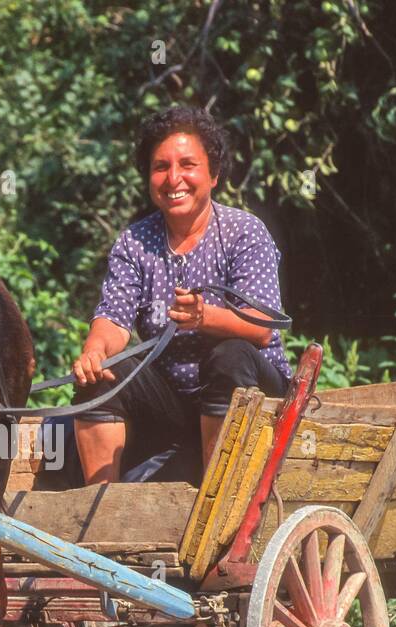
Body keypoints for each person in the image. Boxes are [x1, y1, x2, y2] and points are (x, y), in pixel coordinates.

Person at [70, 106, 292, 484]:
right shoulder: (135, 241)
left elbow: (263, 329)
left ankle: (215, 503)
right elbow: (114, 319)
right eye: (161, 167)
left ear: (213, 174)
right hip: (173, 403)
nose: (174, 178)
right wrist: (95, 351)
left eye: (188, 164)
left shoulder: (243, 232)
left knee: (230, 354)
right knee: (103, 374)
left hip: (254, 394)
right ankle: (100, 514)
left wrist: (206, 318)